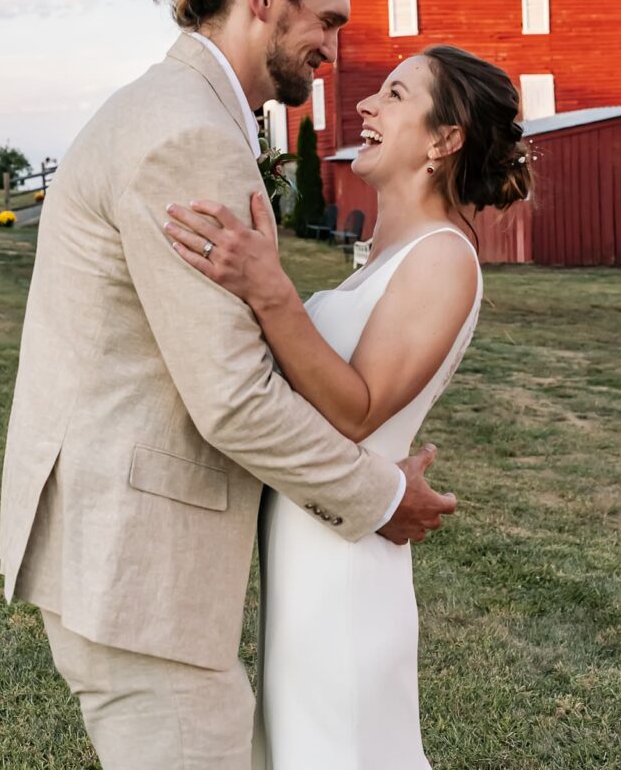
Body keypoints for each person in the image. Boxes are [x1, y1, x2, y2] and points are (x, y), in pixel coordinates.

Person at [0, 0, 458, 770]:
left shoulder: (172, 106)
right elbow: (233, 399)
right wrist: (380, 498)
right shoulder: (188, 132)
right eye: (326, 19)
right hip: (137, 568)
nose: (331, 49)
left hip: (116, 553)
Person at [164, 43, 533, 769]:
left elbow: (356, 412)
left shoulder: (442, 258)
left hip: (345, 571)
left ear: (443, 139)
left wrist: (269, 289)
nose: (364, 105)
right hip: (307, 544)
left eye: (394, 96)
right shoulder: (385, 250)